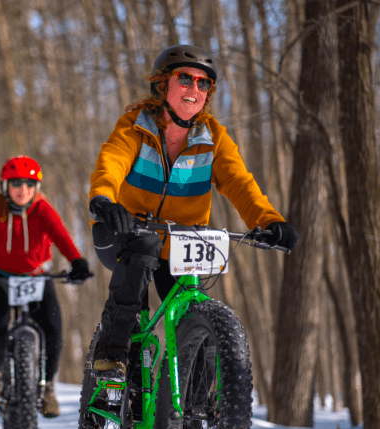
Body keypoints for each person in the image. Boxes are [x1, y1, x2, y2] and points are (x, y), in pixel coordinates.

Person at [89, 44, 299, 385]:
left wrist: (269, 221)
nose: (194, 89)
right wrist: (103, 199)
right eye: (185, 78)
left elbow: (239, 182)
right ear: (163, 84)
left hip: (182, 243)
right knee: (139, 260)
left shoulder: (212, 136)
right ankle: (111, 355)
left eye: (203, 83)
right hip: (124, 229)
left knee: (191, 316)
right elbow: (111, 161)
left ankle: (192, 421)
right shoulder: (136, 125)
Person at [0, 155, 90, 418]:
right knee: (1, 314)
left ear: (37, 187)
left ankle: (48, 387)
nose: (23, 190)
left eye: (29, 184)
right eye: (16, 183)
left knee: (53, 325)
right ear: (5, 186)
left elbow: (61, 236)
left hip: (36, 277)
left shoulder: (43, 209)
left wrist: (77, 261)